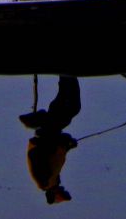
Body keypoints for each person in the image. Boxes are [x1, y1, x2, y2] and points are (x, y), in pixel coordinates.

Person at [20, 75, 81, 203]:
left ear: (54, 193)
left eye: (62, 192)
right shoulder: (52, 179)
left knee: (71, 107)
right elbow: (56, 155)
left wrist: (61, 142)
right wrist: (67, 145)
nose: (63, 189)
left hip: (46, 134)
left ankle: (68, 76)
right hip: (49, 134)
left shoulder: (44, 181)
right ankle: (67, 77)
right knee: (67, 107)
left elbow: (38, 154)